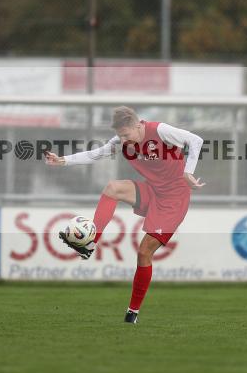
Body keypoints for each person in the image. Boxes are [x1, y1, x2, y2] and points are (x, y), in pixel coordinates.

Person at [44, 106, 204, 324]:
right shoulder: (122, 140)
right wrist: (63, 160)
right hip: (153, 191)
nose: (124, 140)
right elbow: (96, 154)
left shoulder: (160, 130)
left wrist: (188, 172)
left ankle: (132, 313)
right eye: (120, 136)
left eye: (127, 135)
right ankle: (90, 243)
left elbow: (196, 140)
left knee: (143, 252)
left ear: (138, 126)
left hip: (174, 199)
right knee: (112, 188)